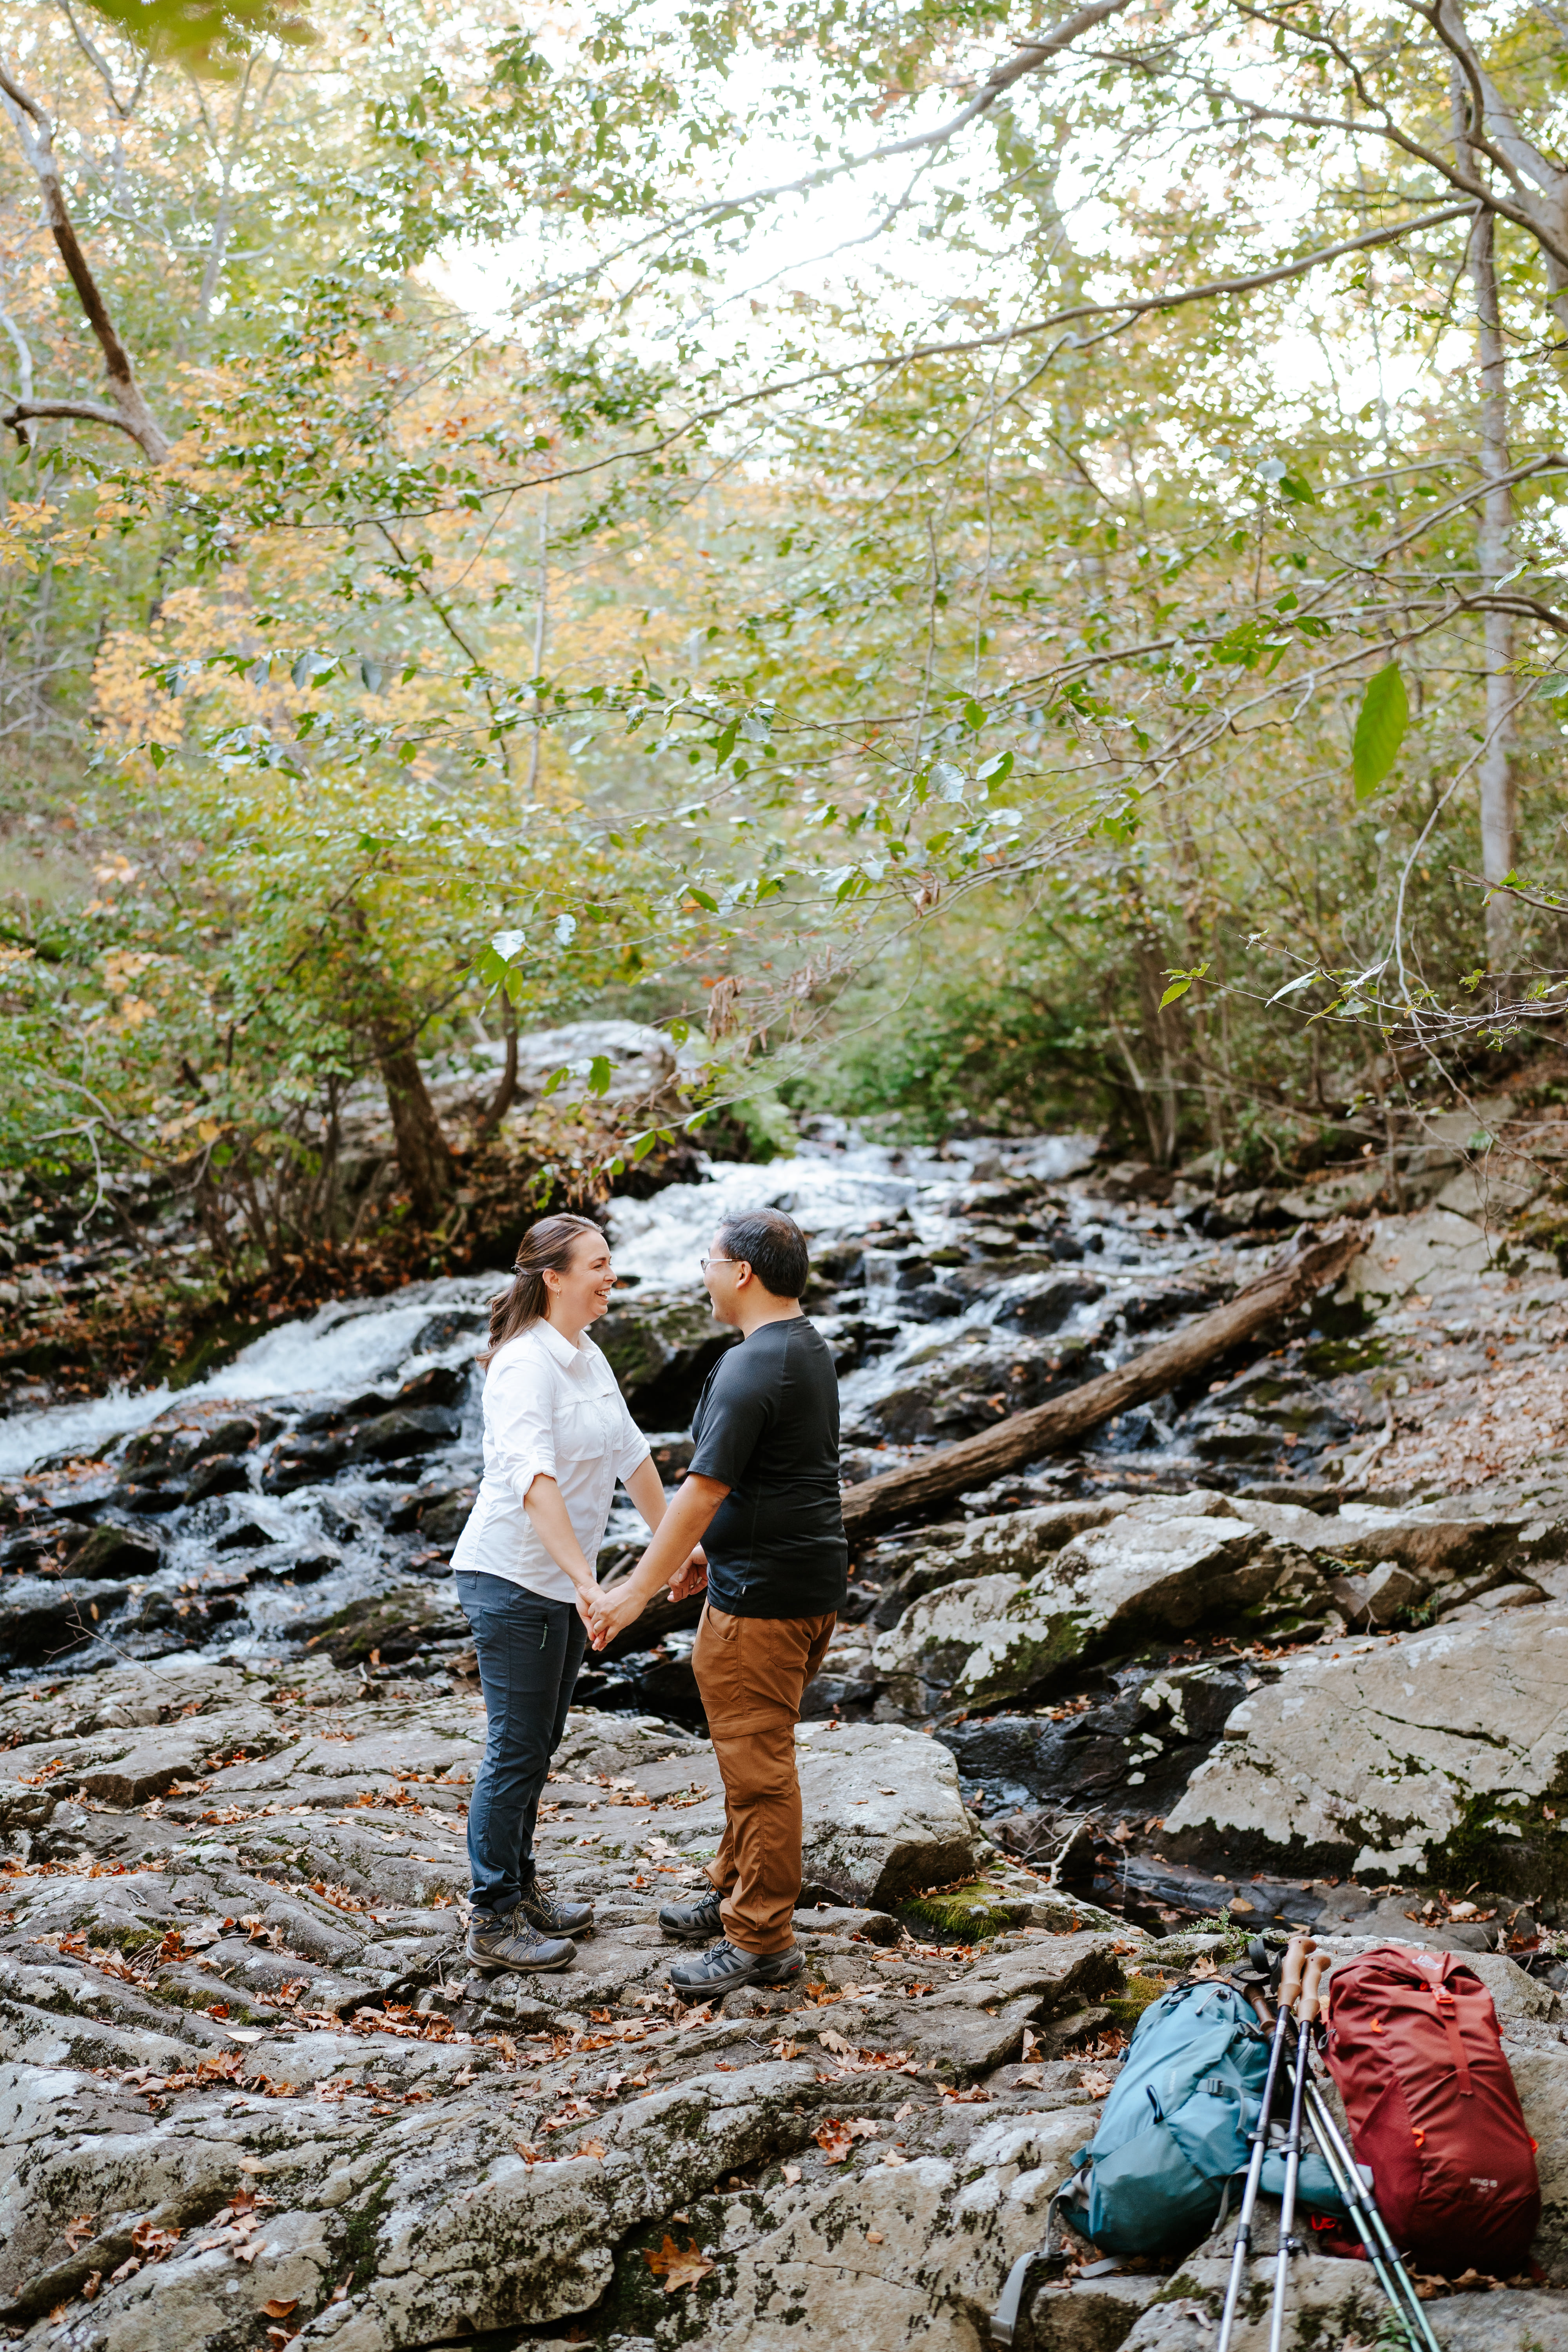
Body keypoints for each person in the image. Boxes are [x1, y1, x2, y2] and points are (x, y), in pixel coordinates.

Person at [586, 1206, 846, 1997]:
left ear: (740, 1273)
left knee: (759, 1769)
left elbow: (700, 1495)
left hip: (763, 1602)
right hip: (799, 1581)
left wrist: (633, 1593)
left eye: (707, 1262)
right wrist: (705, 1550)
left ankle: (761, 1939)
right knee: (751, 1754)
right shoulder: (803, 1348)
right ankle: (735, 1890)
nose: (700, 1275)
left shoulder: (752, 1365)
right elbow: (775, 1481)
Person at [450, 1212, 690, 1976]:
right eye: (597, 1264)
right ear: (552, 1276)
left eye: (609, 1263)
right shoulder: (523, 1366)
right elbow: (534, 1482)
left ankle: (520, 1892)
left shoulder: (584, 1356)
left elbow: (634, 1460)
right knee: (515, 1749)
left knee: (539, 1742)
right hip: (512, 1577)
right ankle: (491, 1918)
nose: (609, 1276)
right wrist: (589, 1583)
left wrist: (678, 1549)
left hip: (557, 1583)